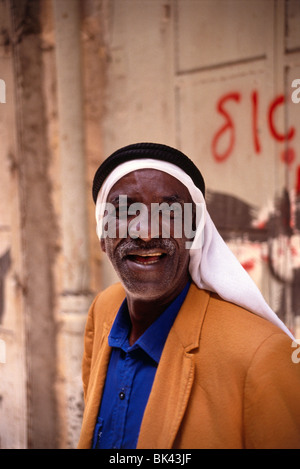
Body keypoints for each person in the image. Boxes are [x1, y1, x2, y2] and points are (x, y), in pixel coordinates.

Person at [77, 142, 300, 449]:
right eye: (125, 211)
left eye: (169, 212)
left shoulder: (261, 357)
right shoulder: (103, 309)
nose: (145, 233)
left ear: (195, 231)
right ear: (103, 235)